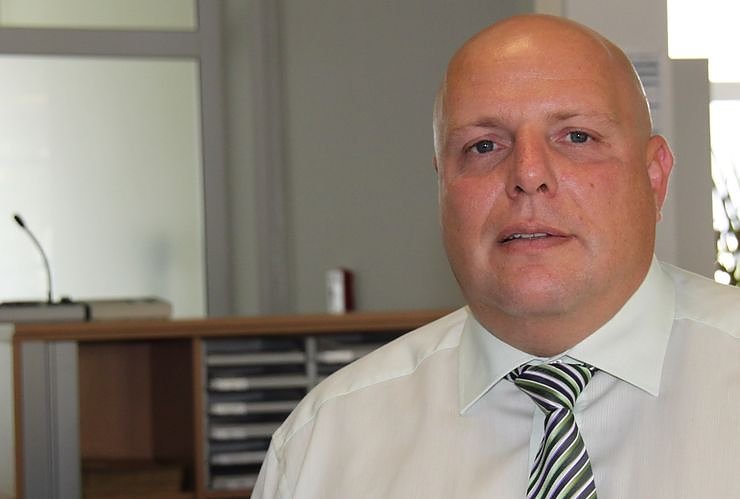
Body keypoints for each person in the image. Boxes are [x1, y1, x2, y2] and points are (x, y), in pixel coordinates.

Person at [252, 14, 740, 498]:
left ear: (654, 178)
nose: (527, 174)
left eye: (577, 137)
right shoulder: (324, 448)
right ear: (442, 186)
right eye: (483, 146)